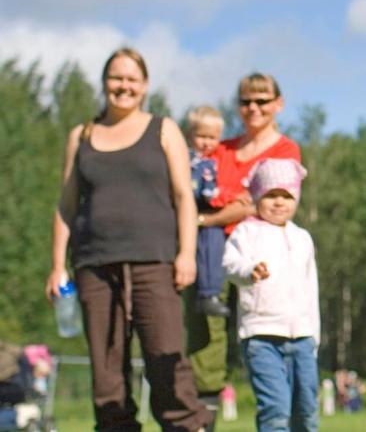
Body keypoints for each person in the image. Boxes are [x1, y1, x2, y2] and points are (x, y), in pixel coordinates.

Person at [44, 47, 212, 431]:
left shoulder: (163, 129)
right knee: (107, 373)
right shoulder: (81, 136)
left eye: (132, 79)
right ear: (104, 83)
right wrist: (57, 267)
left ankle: (188, 426)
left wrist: (186, 253)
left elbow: (185, 196)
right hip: (94, 267)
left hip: (155, 262)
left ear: (145, 85)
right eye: (116, 78)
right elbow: (66, 206)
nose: (124, 86)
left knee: (165, 358)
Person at [186, 73, 302, 426]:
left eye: (262, 100)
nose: (254, 108)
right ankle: (204, 421)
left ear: (278, 104)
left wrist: (208, 219)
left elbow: (263, 206)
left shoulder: (285, 151)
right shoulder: (221, 149)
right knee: (207, 343)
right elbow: (195, 194)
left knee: (267, 345)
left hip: (262, 258)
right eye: (246, 101)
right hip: (215, 258)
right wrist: (225, 212)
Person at [223, 157, 319, 432]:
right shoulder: (247, 232)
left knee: (307, 410)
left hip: (302, 338)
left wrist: (314, 335)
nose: (279, 202)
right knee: (275, 409)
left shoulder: (302, 238)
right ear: (257, 196)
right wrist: (249, 270)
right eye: (270, 195)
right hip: (261, 335)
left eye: (286, 196)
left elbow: (311, 288)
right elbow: (229, 265)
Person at [187, 106, 230, 318]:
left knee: (212, 247)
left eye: (212, 138)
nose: (207, 142)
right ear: (190, 134)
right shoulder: (189, 160)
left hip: (208, 212)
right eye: (201, 136)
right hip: (192, 208)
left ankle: (210, 294)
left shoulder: (217, 161)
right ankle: (205, 294)